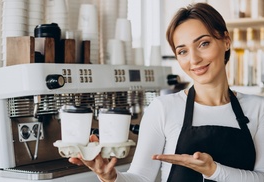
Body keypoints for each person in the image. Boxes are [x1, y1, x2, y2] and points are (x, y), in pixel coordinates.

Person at [69, 3, 264, 182]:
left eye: (203, 43)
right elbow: (141, 177)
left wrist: (214, 171)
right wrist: (111, 177)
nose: (194, 59)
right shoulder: (163, 108)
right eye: (182, 51)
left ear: (226, 41)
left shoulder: (258, 108)